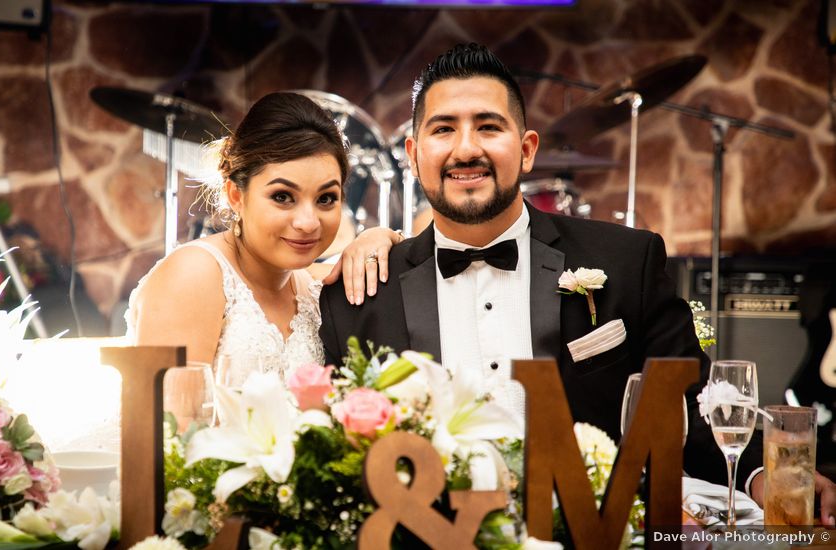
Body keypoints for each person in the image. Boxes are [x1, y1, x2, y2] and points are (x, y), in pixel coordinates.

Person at [318, 43, 835, 522]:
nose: (466, 148)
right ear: (413, 154)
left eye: (489, 127)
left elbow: (690, 400)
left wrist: (765, 475)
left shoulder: (625, 260)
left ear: (526, 150)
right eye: (444, 129)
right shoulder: (361, 294)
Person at [126, 91, 402, 384]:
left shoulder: (315, 287)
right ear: (236, 195)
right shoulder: (193, 274)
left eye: (326, 198)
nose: (308, 223)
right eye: (282, 196)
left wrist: (380, 236)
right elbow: (172, 424)